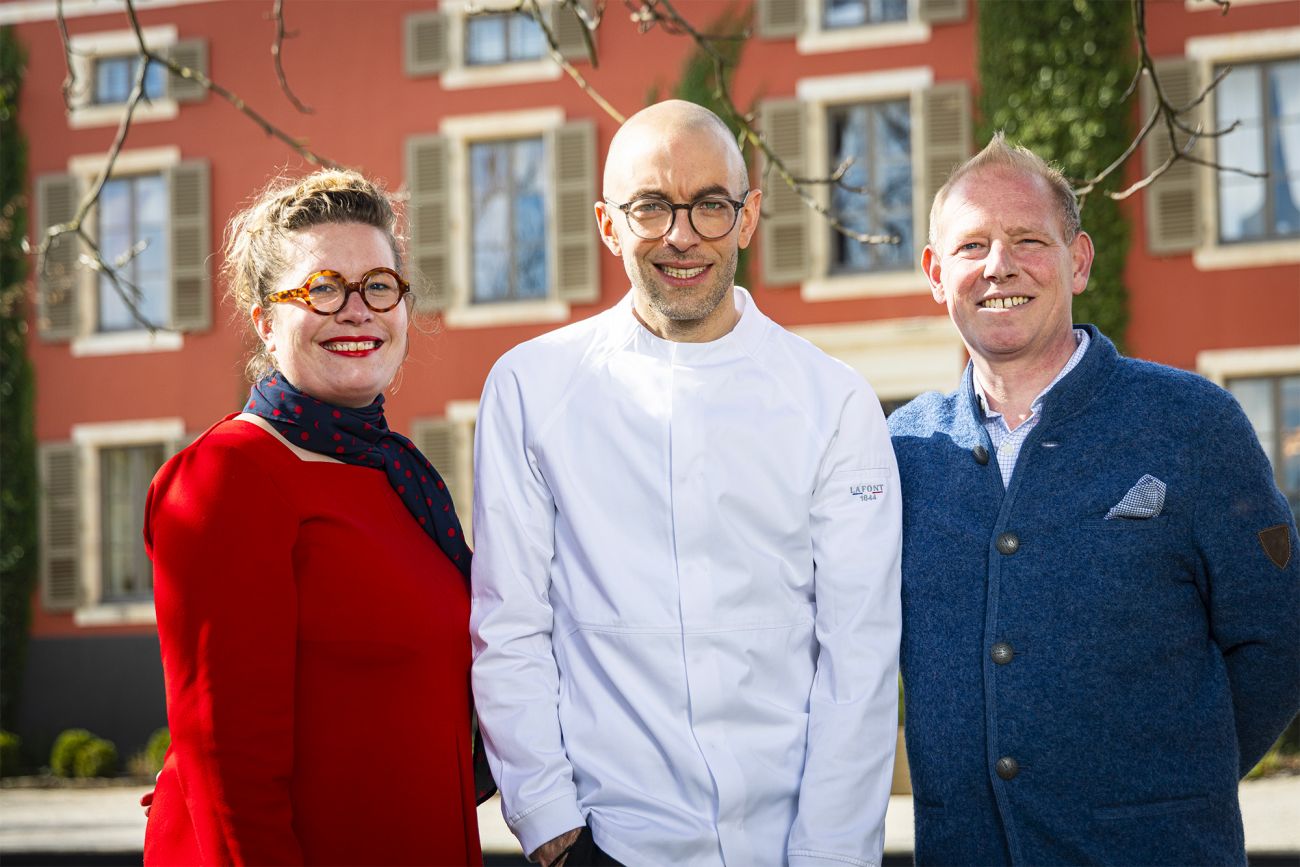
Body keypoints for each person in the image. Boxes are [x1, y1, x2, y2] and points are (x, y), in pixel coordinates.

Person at [470, 100, 902, 867]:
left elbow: (857, 658)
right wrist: (554, 833)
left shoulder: (832, 399)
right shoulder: (531, 387)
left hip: (789, 846)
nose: (681, 234)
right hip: (605, 842)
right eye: (650, 207)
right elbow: (509, 630)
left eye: (709, 205)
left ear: (747, 216)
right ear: (607, 223)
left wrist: (831, 856)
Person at [889, 134, 1300, 865]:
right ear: (933, 272)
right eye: (972, 245)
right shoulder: (901, 452)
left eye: (1027, 240)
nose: (998, 266)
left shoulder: (1194, 424)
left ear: (1077, 259)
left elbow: (1281, 637)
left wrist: (1174, 781)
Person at [143, 170, 484, 866]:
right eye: (323, 287)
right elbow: (229, 774)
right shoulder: (227, 476)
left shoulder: (398, 476)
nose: (357, 310)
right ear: (267, 321)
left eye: (379, 286)